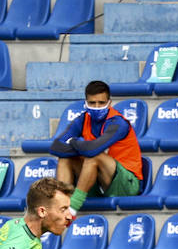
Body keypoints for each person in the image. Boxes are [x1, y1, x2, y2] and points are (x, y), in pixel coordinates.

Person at [50, 80, 143, 213]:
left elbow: (93, 149)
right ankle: (62, 205)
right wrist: (81, 147)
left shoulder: (118, 122)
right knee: (65, 158)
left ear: (109, 103)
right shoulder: (82, 119)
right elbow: (55, 147)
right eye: (92, 103)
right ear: (86, 103)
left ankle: (73, 208)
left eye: (101, 103)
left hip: (127, 184)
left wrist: (73, 142)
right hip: (99, 181)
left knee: (94, 156)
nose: (97, 107)